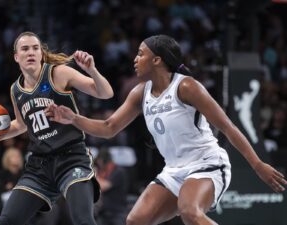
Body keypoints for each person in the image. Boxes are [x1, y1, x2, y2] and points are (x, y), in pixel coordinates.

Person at [45, 34, 287, 225]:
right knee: (135, 220)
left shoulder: (187, 87)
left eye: (140, 54)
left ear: (157, 60)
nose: (135, 59)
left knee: (190, 212)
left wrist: (257, 165)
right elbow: (109, 128)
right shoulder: (140, 92)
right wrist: (73, 118)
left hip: (207, 164)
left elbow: (227, 126)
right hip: (173, 170)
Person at [0, 31, 113, 225]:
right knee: (7, 220)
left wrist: (93, 71)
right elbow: (20, 125)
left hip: (71, 159)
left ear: (40, 54)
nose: (31, 52)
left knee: (83, 220)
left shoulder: (58, 73)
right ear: (16, 57)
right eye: (25, 49)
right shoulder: (16, 90)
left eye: (35, 48)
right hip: (39, 166)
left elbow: (106, 93)